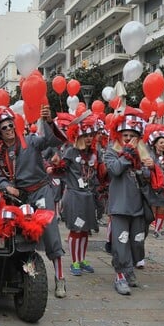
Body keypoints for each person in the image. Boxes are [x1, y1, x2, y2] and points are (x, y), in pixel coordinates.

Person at [0, 105, 67, 298]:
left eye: (10, 125)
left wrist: (48, 121)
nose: (8, 129)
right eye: (3, 127)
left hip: (40, 192)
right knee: (16, 235)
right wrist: (6, 186)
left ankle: (60, 278)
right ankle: (19, 275)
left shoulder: (30, 141)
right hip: (17, 198)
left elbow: (54, 140)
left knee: (50, 232)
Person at [103, 108, 157, 295]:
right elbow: (115, 170)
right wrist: (127, 153)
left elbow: (149, 178)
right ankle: (120, 275)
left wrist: (150, 168)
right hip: (119, 206)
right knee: (121, 242)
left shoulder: (144, 153)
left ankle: (129, 269)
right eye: (125, 134)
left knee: (137, 242)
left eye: (132, 135)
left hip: (138, 206)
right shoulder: (111, 151)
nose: (128, 138)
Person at [59, 114, 100, 277]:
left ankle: (82, 260)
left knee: (85, 230)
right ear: (78, 135)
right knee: (76, 229)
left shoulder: (94, 154)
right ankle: (74, 261)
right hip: (75, 196)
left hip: (88, 196)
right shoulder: (70, 151)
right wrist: (55, 165)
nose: (89, 138)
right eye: (85, 135)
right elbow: (59, 170)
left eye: (91, 135)